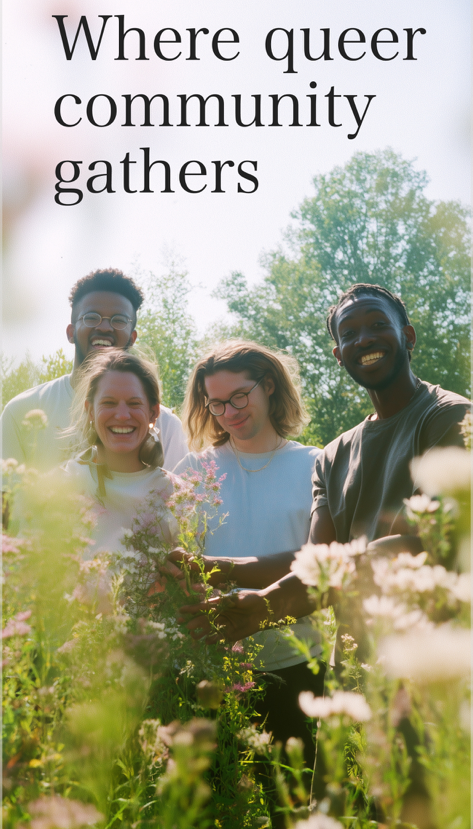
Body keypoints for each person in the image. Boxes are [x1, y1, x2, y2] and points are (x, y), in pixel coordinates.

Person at [179, 283, 471, 643]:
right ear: (338, 354)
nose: (363, 339)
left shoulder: (450, 418)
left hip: (437, 664)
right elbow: (317, 564)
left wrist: (269, 599)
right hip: (356, 672)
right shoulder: (334, 456)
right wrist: (246, 596)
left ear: (407, 336)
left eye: (378, 325)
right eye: (349, 333)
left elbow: (422, 543)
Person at [174, 340, 323, 756]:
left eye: (240, 396)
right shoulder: (193, 470)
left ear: (270, 385)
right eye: (216, 403)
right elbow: (177, 563)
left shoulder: (316, 464)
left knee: (289, 806)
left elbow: (322, 563)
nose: (230, 412)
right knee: (209, 808)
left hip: (296, 665)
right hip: (211, 665)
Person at [1, 268, 188, 473]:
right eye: (91, 317)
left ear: (132, 338)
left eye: (118, 320)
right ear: (71, 333)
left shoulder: (166, 425)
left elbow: (177, 501)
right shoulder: (21, 411)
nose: (105, 327)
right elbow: (8, 502)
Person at [61, 348, 179, 556]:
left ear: (153, 413)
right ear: (90, 410)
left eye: (134, 404)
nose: (123, 415)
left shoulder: (176, 496)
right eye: (109, 403)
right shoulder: (63, 486)